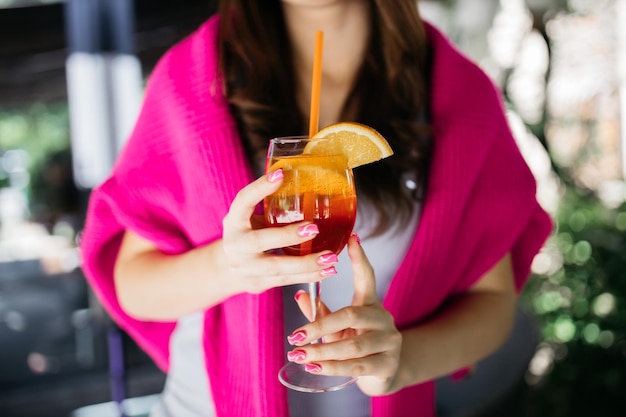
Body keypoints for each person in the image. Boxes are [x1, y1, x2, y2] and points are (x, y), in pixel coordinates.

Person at [80, 1, 553, 416]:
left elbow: (492, 303)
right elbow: (134, 286)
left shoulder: (459, 93)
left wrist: (399, 361)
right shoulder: (189, 80)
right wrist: (230, 267)